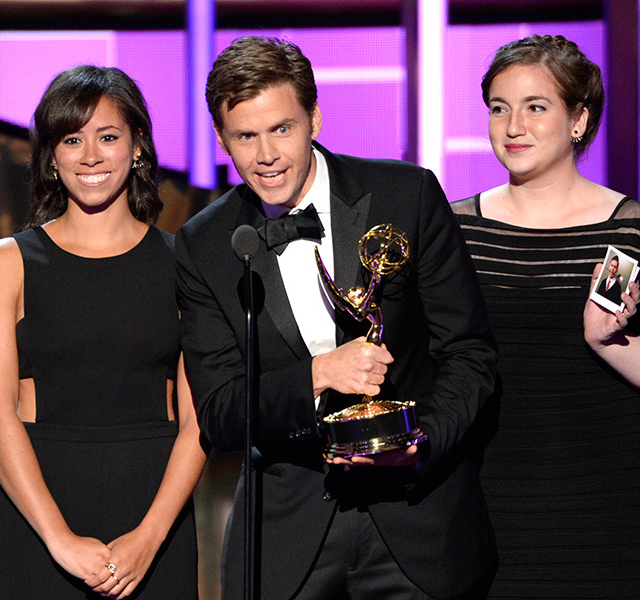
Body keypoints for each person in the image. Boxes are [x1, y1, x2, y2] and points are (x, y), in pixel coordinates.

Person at [176, 36, 498, 600]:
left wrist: (416, 447)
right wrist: (318, 374)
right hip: (287, 539)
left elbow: (470, 355)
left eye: (282, 128)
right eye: (245, 136)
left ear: (315, 119)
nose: (266, 154)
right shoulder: (202, 245)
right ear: (221, 139)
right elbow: (221, 414)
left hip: (418, 526)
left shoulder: (407, 194)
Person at [0, 65, 206, 600]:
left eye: (107, 136)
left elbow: (198, 420)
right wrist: (60, 540)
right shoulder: (8, 262)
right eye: (72, 139)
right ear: (51, 155)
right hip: (37, 510)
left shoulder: (183, 263)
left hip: (154, 507)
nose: (91, 156)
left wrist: (149, 537)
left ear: (138, 146)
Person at [452, 34, 640, 598]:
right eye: (498, 108)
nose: (513, 126)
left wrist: (610, 341)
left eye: (536, 107)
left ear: (579, 119)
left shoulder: (628, 232)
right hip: (479, 507)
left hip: (606, 512)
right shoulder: (452, 230)